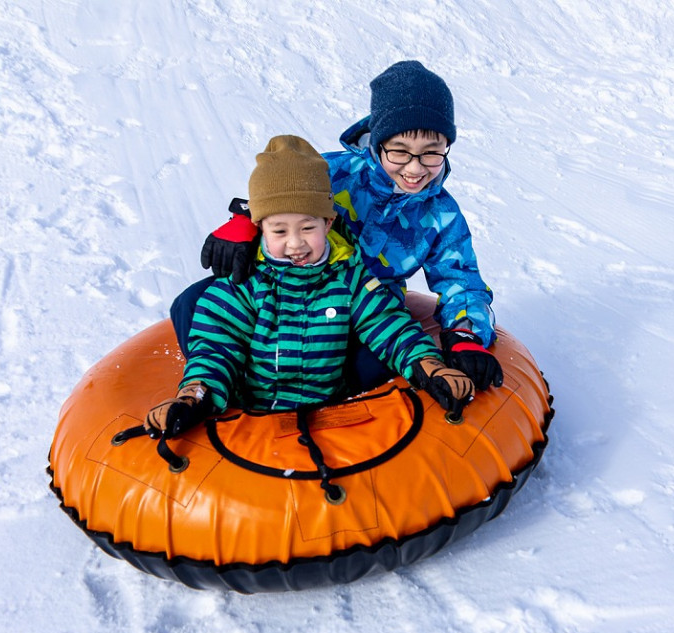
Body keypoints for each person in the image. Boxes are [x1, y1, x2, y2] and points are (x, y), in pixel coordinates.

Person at [184, 60, 503, 394]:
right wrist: (243, 224)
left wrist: (466, 334)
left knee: (373, 366)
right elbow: (277, 194)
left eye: (431, 154)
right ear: (377, 142)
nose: (414, 168)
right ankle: (212, 383)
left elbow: (462, 281)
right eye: (400, 152)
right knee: (193, 304)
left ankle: (330, 406)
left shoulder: (441, 214)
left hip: (371, 310)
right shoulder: (333, 172)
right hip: (287, 291)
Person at [147, 135, 473, 437]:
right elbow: (216, 345)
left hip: (327, 405)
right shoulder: (244, 283)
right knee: (196, 309)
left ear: (328, 222)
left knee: (381, 343)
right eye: (279, 231)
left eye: (307, 228)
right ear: (258, 227)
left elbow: (387, 325)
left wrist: (429, 366)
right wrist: (196, 395)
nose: (295, 244)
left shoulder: (350, 277)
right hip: (250, 408)